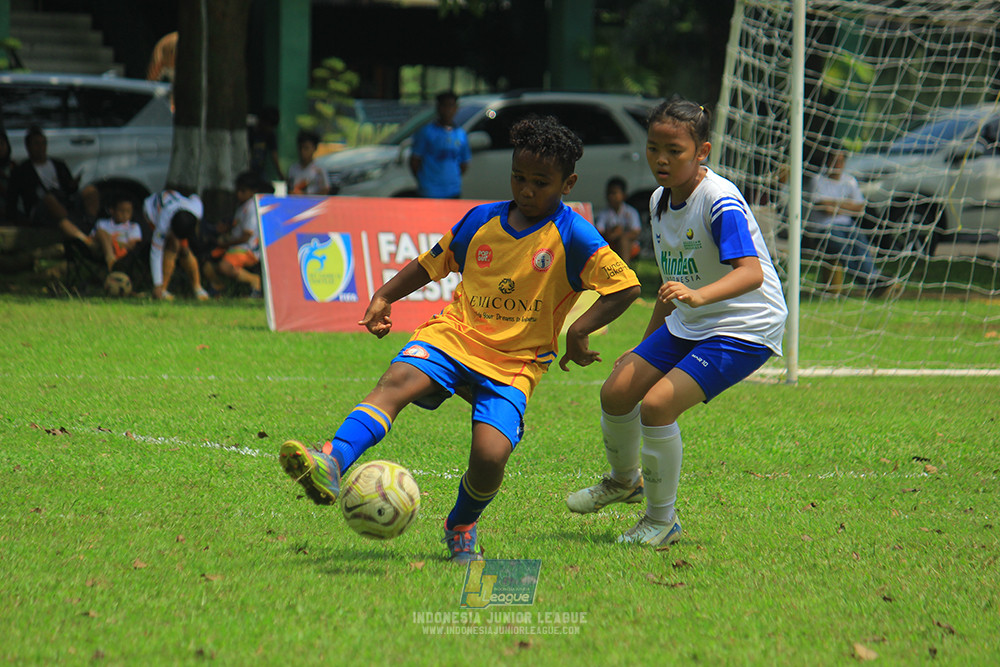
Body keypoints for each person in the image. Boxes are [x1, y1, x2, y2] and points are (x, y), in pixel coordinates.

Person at [279, 116, 641, 563]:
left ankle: (462, 524)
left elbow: (626, 286)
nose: (527, 190)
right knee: (397, 381)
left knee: (490, 458)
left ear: (568, 183)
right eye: (519, 178)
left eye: (541, 183)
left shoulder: (575, 235)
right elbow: (431, 263)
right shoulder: (481, 220)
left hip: (516, 361)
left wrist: (580, 331)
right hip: (455, 336)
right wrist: (384, 294)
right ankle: (332, 461)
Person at [566, 98, 788, 547]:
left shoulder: (718, 200)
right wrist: (644, 347)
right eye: (653, 148)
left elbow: (752, 273)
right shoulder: (657, 201)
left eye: (674, 151)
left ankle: (661, 521)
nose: (661, 160)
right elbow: (673, 282)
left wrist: (697, 296)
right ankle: (625, 481)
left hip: (745, 326)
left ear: (702, 151)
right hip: (692, 319)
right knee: (617, 389)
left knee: (657, 405)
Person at [806, 150, 900, 297]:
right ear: (827, 162)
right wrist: (846, 205)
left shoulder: (849, 181)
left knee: (861, 244)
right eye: (834, 161)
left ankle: (873, 276)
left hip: (847, 226)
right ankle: (870, 282)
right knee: (844, 249)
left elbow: (859, 207)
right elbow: (825, 209)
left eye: (840, 161)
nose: (837, 165)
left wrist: (835, 205)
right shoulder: (817, 180)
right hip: (823, 230)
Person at [6, 126, 100, 246]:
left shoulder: (58, 164)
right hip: (41, 207)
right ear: (28, 147)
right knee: (49, 199)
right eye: (36, 144)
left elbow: (70, 189)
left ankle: (90, 223)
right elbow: (13, 198)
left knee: (91, 191)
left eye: (43, 144)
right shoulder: (22, 171)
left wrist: (73, 185)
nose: (40, 148)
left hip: (65, 200)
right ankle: (75, 230)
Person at [203, 171, 267, 297]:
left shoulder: (252, 208)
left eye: (243, 191)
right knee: (205, 259)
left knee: (224, 266)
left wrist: (225, 243)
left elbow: (246, 237)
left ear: (253, 191)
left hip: (248, 250)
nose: (238, 194)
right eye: (238, 190)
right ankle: (218, 287)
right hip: (235, 247)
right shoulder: (242, 207)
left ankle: (254, 280)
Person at [143, 189, 210, 301]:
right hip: (151, 211)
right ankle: (162, 289)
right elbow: (156, 252)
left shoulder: (197, 209)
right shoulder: (162, 225)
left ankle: (197, 287)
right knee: (173, 245)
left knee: (184, 248)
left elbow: (194, 196)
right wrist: (157, 284)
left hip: (176, 203)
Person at [409, 91, 470, 198]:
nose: (447, 110)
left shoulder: (461, 134)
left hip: (453, 191)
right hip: (429, 191)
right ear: (438, 108)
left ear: (456, 108)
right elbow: (415, 161)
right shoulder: (426, 132)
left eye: (451, 106)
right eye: (444, 106)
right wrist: (425, 180)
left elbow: (464, 164)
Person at [594, 176, 641, 265]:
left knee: (623, 241)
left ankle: (624, 266)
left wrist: (621, 234)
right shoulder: (604, 213)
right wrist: (612, 233)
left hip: (629, 244)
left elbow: (636, 231)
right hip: (610, 241)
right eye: (609, 193)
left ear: (624, 195)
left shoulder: (631, 212)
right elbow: (599, 230)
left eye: (614, 193)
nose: (611, 196)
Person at [91, 195, 143, 273]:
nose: (125, 215)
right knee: (101, 232)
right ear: (112, 211)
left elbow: (131, 245)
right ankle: (111, 260)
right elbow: (92, 239)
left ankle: (110, 259)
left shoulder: (133, 227)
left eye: (128, 211)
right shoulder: (102, 223)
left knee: (102, 233)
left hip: (120, 253)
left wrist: (112, 242)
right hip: (98, 250)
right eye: (122, 211)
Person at [287, 130, 329, 195]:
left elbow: (325, 190)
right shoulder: (293, 168)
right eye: (300, 148)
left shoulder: (319, 169)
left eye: (306, 148)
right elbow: (290, 189)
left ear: (314, 148)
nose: (302, 151)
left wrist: (306, 196)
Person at [248, 106, 284, 183]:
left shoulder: (270, 135)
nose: (270, 129)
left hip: (259, 170)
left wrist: (280, 173)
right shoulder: (250, 131)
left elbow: (274, 154)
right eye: (269, 125)